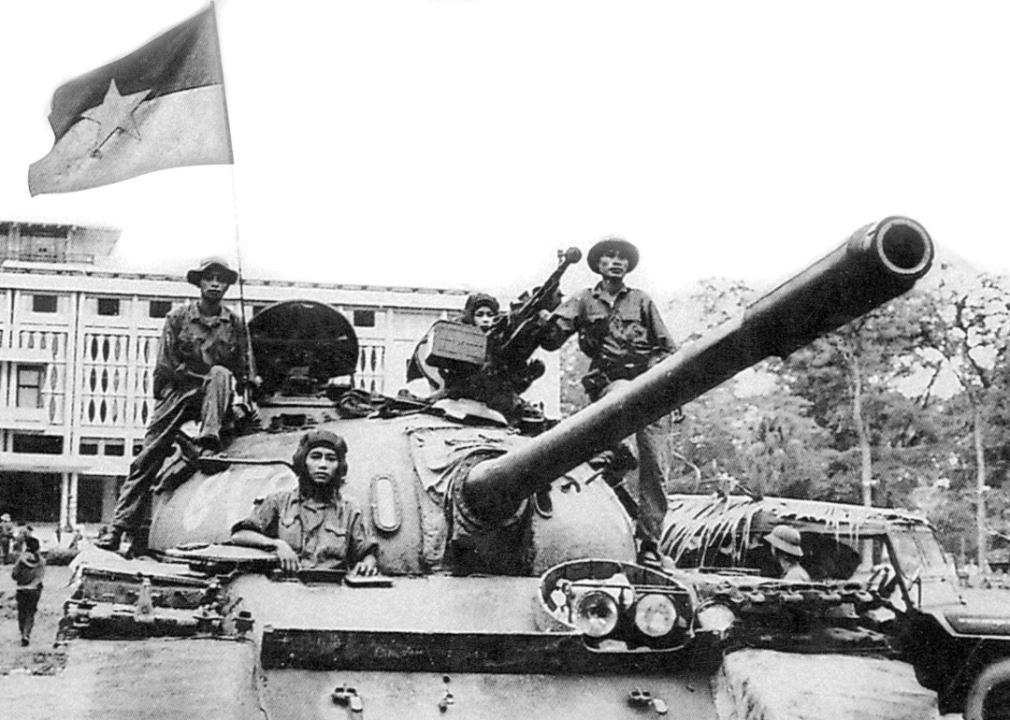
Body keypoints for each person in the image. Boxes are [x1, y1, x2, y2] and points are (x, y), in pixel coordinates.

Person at [98, 257, 252, 552]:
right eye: (209, 278)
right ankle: (119, 527)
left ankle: (209, 442)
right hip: (179, 390)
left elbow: (243, 369)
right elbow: (164, 365)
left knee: (220, 374)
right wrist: (164, 403)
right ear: (199, 283)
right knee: (148, 458)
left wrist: (245, 395)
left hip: (215, 396)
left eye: (222, 279)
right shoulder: (178, 318)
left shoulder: (235, 324)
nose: (216, 284)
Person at [539, 237, 676, 566]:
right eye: (609, 257)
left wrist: (656, 381)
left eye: (622, 258)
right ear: (598, 264)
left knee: (656, 470)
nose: (616, 261)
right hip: (610, 385)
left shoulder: (641, 301)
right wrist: (545, 315)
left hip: (651, 389)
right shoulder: (584, 300)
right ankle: (614, 460)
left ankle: (649, 543)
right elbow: (552, 339)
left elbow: (666, 347)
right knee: (616, 422)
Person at [230, 429, 378, 576]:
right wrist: (276, 544)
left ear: (339, 466)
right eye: (315, 457)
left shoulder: (349, 510)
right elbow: (240, 535)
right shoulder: (279, 502)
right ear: (303, 462)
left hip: (331, 589)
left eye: (331, 459)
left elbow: (366, 552)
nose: (323, 465)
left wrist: (367, 564)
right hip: (286, 585)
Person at [12, 535, 45, 646]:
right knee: (31, 613)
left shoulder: (21, 560)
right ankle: (27, 634)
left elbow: (14, 575)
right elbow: (41, 576)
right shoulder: (41, 561)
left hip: (21, 589)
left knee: (22, 613)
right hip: (35, 590)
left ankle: (22, 633)